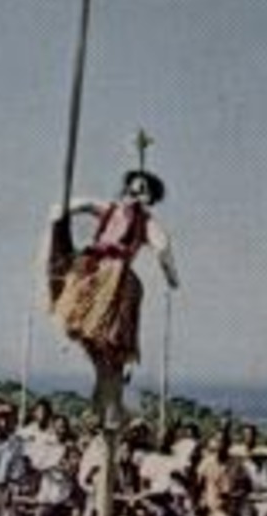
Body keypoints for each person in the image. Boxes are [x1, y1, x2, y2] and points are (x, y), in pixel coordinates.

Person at [48, 168, 179, 406]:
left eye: (142, 190)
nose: (134, 192)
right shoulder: (110, 209)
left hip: (114, 275)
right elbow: (86, 204)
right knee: (72, 297)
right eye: (132, 187)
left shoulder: (145, 222)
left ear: (148, 198)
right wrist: (65, 208)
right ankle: (86, 337)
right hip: (92, 268)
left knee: (113, 328)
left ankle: (115, 366)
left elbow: (163, 245)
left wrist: (171, 275)